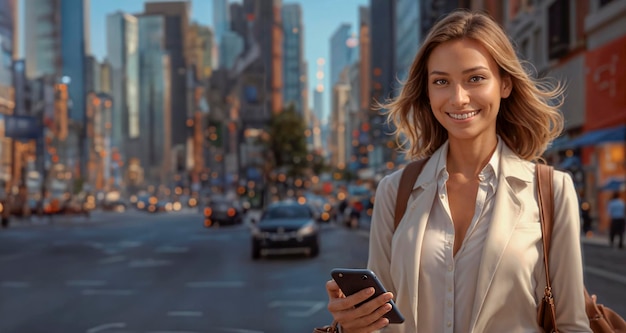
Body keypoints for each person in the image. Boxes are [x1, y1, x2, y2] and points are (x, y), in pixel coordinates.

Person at [324, 9, 590, 332]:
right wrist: (351, 324)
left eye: (475, 78)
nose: (458, 98)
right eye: (441, 82)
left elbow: (573, 325)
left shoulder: (552, 191)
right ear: (428, 91)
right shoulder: (394, 192)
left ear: (505, 83)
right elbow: (379, 323)